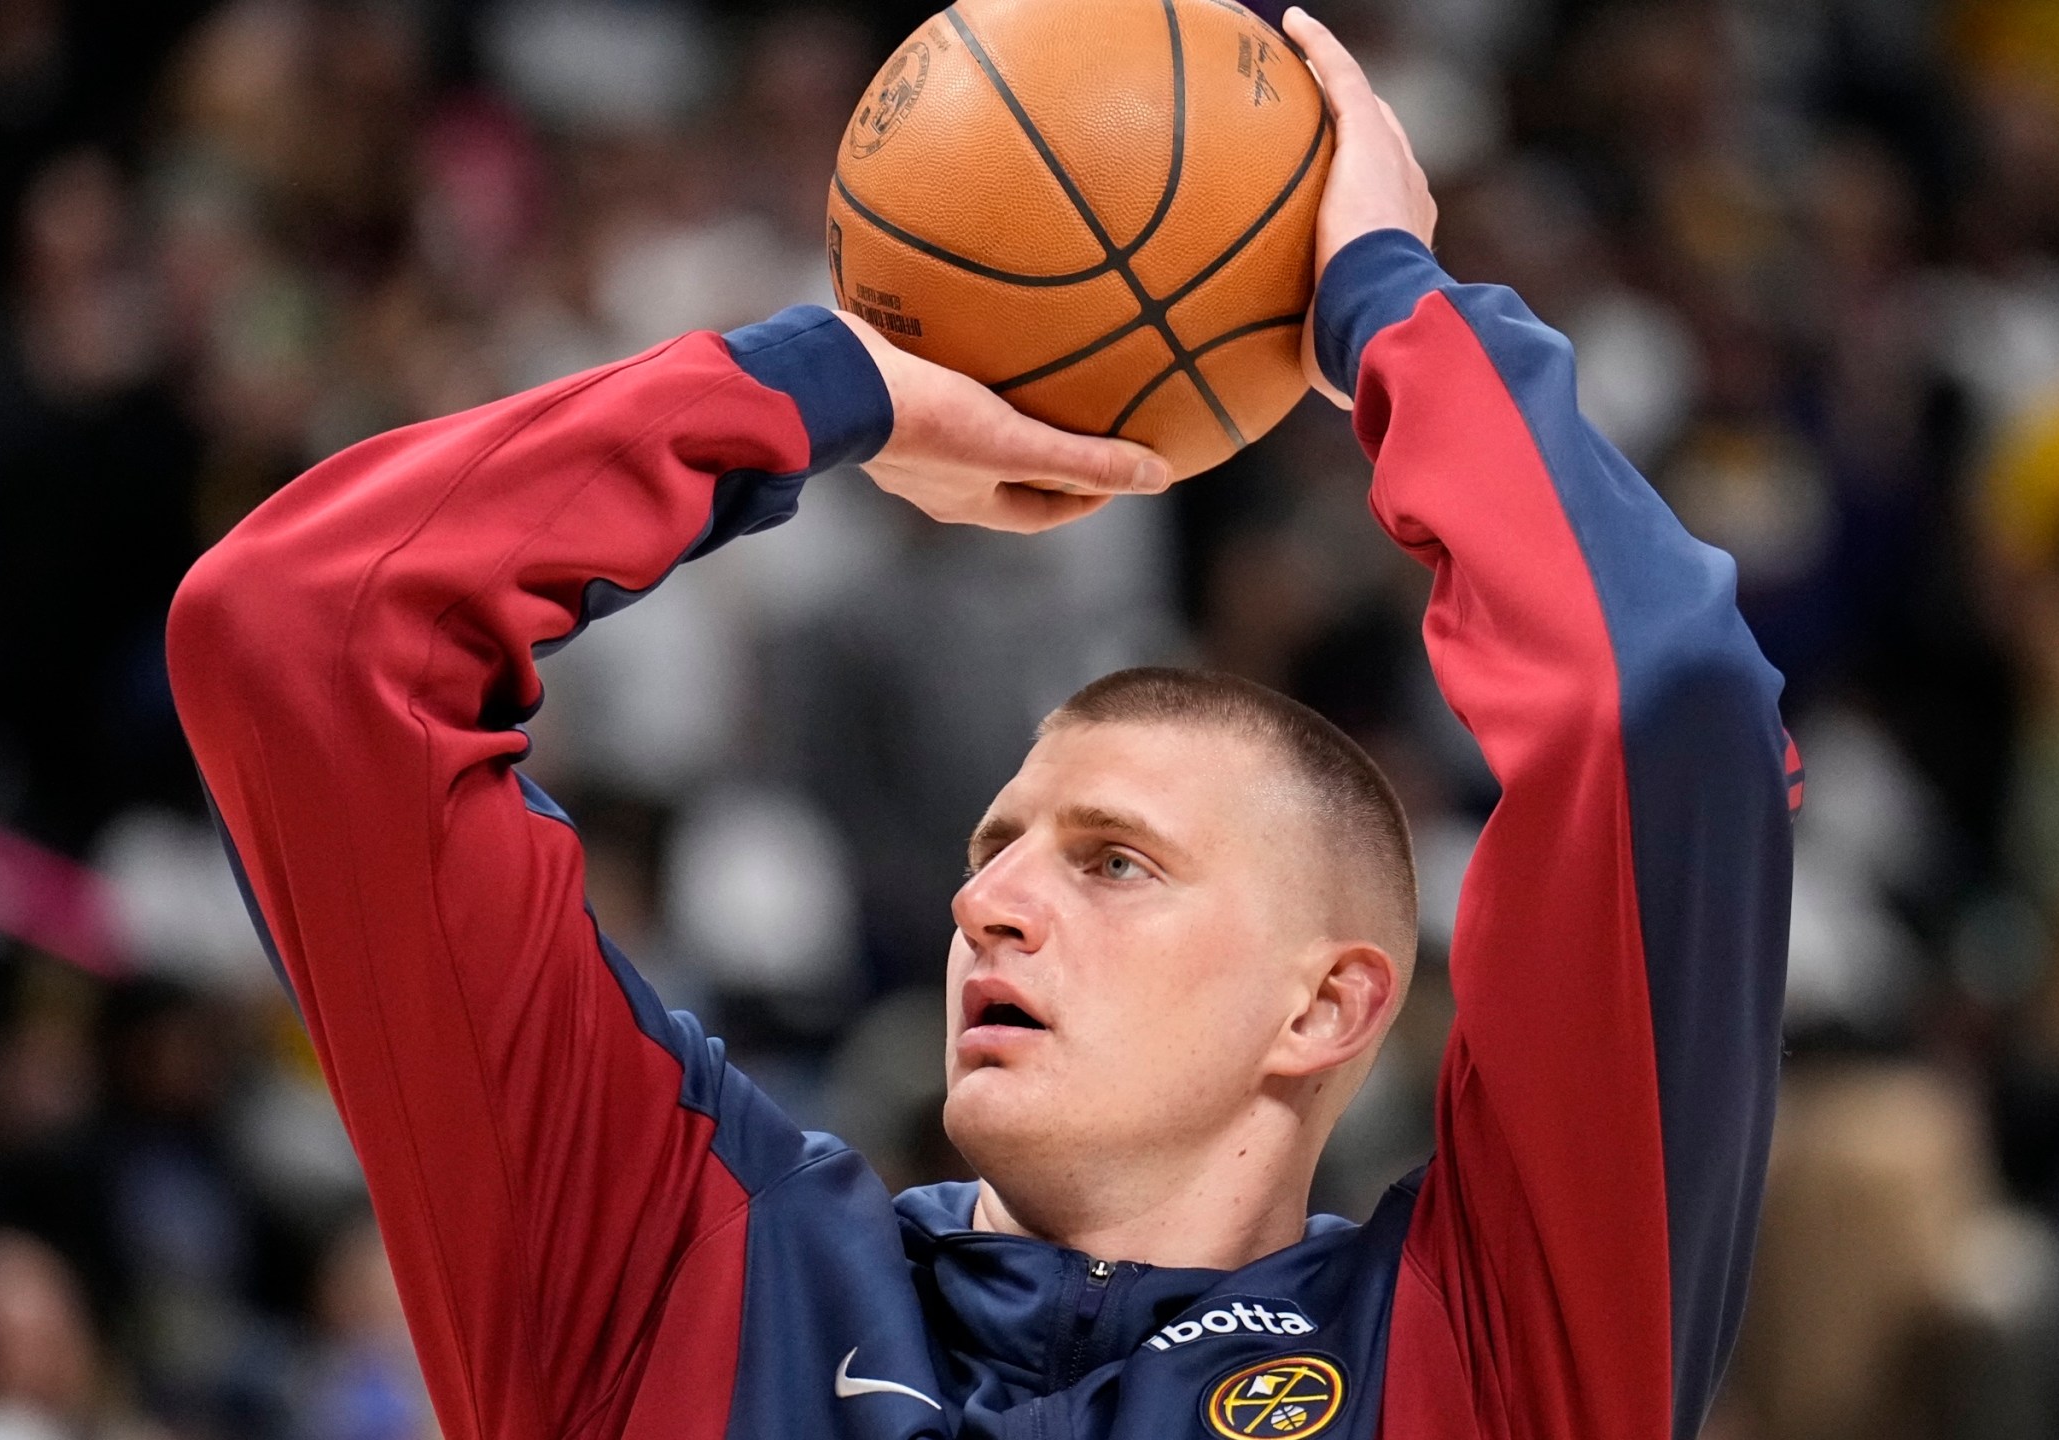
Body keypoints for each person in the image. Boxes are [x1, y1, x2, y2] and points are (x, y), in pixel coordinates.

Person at [166, 11, 1794, 1439]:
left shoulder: (1486, 1360)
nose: (986, 903)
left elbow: (1660, 714)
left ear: (1329, 1008)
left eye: (1117, 863)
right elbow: (305, 640)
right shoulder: (681, 1270)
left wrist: (1388, 306)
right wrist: (828, 389)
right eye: (997, 847)